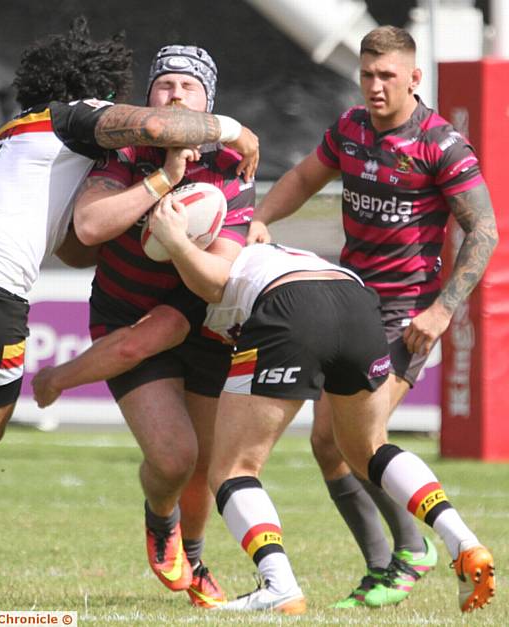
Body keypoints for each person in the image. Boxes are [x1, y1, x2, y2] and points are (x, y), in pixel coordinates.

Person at [0, 18, 259, 599]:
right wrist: (233, 130)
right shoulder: (82, 117)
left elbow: (76, 246)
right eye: (160, 85)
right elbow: (151, 128)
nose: (167, 98)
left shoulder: (8, 133)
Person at [246, 25, 499, 608]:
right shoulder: (351, 130)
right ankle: (391, 560)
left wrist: (441, 311)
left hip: (407, 311)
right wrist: (264, 219)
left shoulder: (442, 145)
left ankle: (412, 553)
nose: (375, 86)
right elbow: (307, 176)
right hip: (349, 302)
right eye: (367, 75)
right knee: (327, 444)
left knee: (358, 440)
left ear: (414, 77)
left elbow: (483, 230)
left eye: (387, 76)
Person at [147, 197, 496, 614]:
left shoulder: (216, 259)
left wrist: (174, 242)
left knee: (232, 468)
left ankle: (279, 586)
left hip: (292, 307)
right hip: (357, 301)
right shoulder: (272, 251)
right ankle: (464, 542)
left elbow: (215, 283)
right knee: (368, 449)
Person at [67, 44, 256, 608]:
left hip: (202, 319)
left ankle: (194, 559)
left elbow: (218, 279)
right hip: (125, 312)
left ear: (209, 102)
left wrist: (176, 241)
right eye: (165, 85)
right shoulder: (125, 148)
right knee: (173, 458)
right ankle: (160, 522)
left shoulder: (230, 167)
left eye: (188, 87)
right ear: (148, 96)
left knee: (203, 464)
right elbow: (88, 224)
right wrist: (162, 180)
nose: (175, 95)